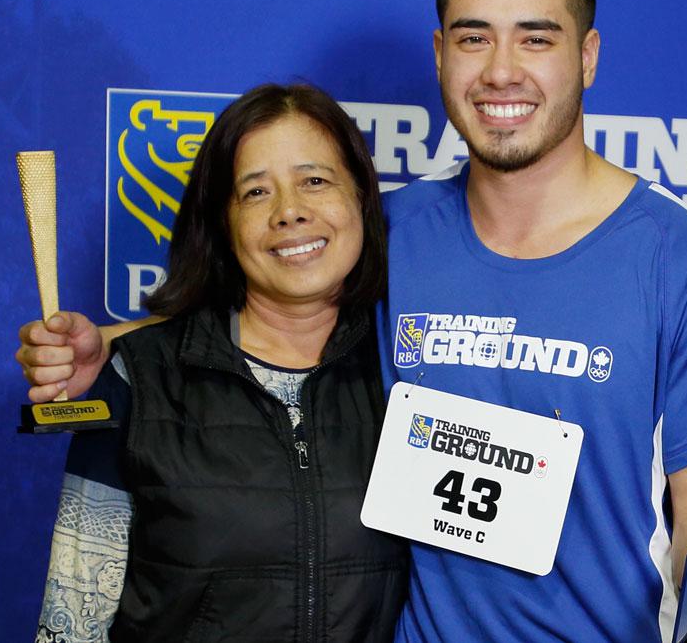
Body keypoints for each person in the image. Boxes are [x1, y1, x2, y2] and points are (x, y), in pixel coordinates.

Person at [21, 0, 687, 643]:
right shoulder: (390, 235)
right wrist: (107, 349)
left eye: (536, 38)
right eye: (474, 37)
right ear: (439, 53)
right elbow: (258, 320)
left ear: (589, 55)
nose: (501, 70)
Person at [34, 84, 409, 641]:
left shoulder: (413, 371)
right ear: (223, 224)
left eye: (315, 180)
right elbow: (73, 618)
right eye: (256, 193)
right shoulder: (137, 377)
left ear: (361, 197)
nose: (289, 213)